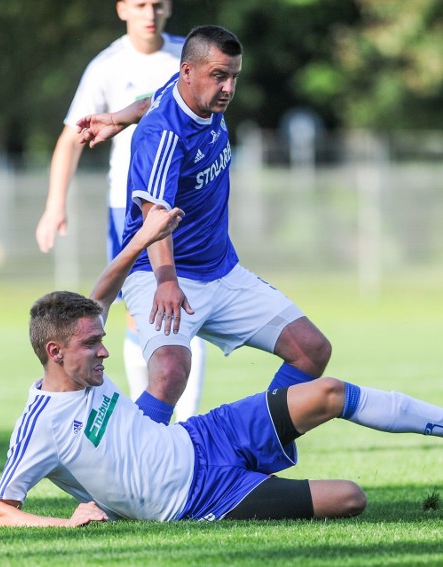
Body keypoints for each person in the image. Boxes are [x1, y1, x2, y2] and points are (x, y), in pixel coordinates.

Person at [0, 205, 443, 526]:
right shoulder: (40, 426)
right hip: (199, 498)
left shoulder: (82, 356)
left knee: (328, 390)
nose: (105, 351)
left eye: (101, 340)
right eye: (91, 345)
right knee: (351, 499)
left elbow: (103, 290)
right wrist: (69, 520)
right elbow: (4, 511)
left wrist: (144, 239)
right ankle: (262, 479)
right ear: (54, 353)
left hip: (203, 437)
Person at [76, 25, 332, 426]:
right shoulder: (162, 134)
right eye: (219, 76)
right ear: (188, 72)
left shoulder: (190, 93)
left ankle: (251, 447)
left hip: (221, 271)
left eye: (234, 76)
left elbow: (150, 98)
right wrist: (166, 281)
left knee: (312, 350)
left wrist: (115, 118)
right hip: (159, 271)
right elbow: (154, 220)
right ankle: (121, 474)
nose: (228, 87)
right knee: (170, 373)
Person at [34, 0, 207, 421]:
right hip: (129, 207)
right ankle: (146, 418)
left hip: (186, 201)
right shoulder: (106, 66)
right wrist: (55, 203)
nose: (151, 13)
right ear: (122, 9)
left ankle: (187, 425)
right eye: (141, 4)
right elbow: (72, 138)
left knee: (190, 302)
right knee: (139, 311)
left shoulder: (188, 56)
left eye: (158, 4)